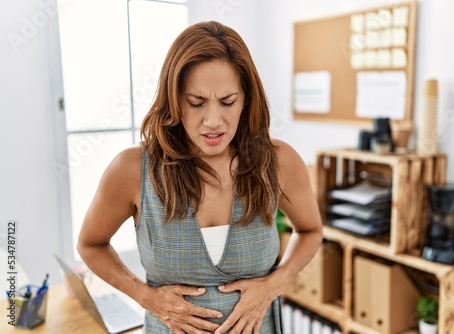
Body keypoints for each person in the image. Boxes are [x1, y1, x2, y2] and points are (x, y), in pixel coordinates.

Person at [77, 21, 323, 334]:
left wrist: (273, 285)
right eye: (196, 103)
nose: (212, 121)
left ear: (246, 99)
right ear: (175, 99)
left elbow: (311, 230)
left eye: (228, 102)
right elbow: (91, 244)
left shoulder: (279, 162)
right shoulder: (131, 169)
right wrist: (146, 296)